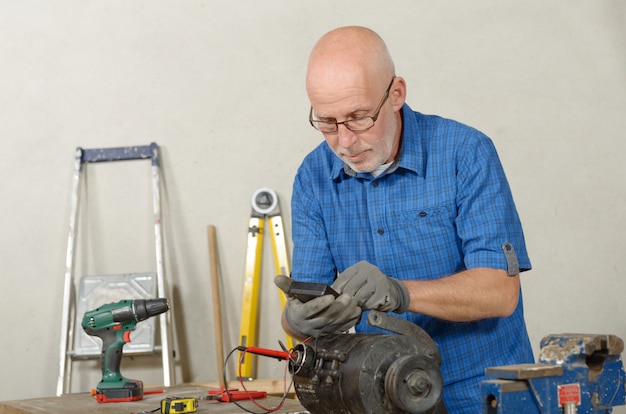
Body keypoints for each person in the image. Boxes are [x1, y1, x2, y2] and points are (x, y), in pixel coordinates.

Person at [276, 26, 534, 413]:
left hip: (481, 394)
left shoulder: (465, 153)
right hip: (379, 396)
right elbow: (311, 310)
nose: (343, 142)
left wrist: (400, 293)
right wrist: (299, 321)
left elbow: (500, 291)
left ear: (396, 94)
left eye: (358, 117)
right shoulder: (313, 178)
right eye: (327, 122)